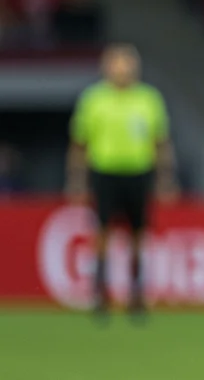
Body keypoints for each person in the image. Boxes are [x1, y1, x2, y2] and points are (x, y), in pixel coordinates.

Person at [66, 43, 177, 320]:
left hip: (139, 172)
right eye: (117, 63)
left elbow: (161, 142)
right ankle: (99, 292)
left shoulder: (149, 99)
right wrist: (76, 180)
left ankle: (136, 294)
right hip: (104, 172)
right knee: (101, 232)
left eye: (127, 64)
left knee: (138, 234)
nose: (123, 69)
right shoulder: (93, 99)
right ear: (107, 67)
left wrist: (166, 178)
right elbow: (79, 144)